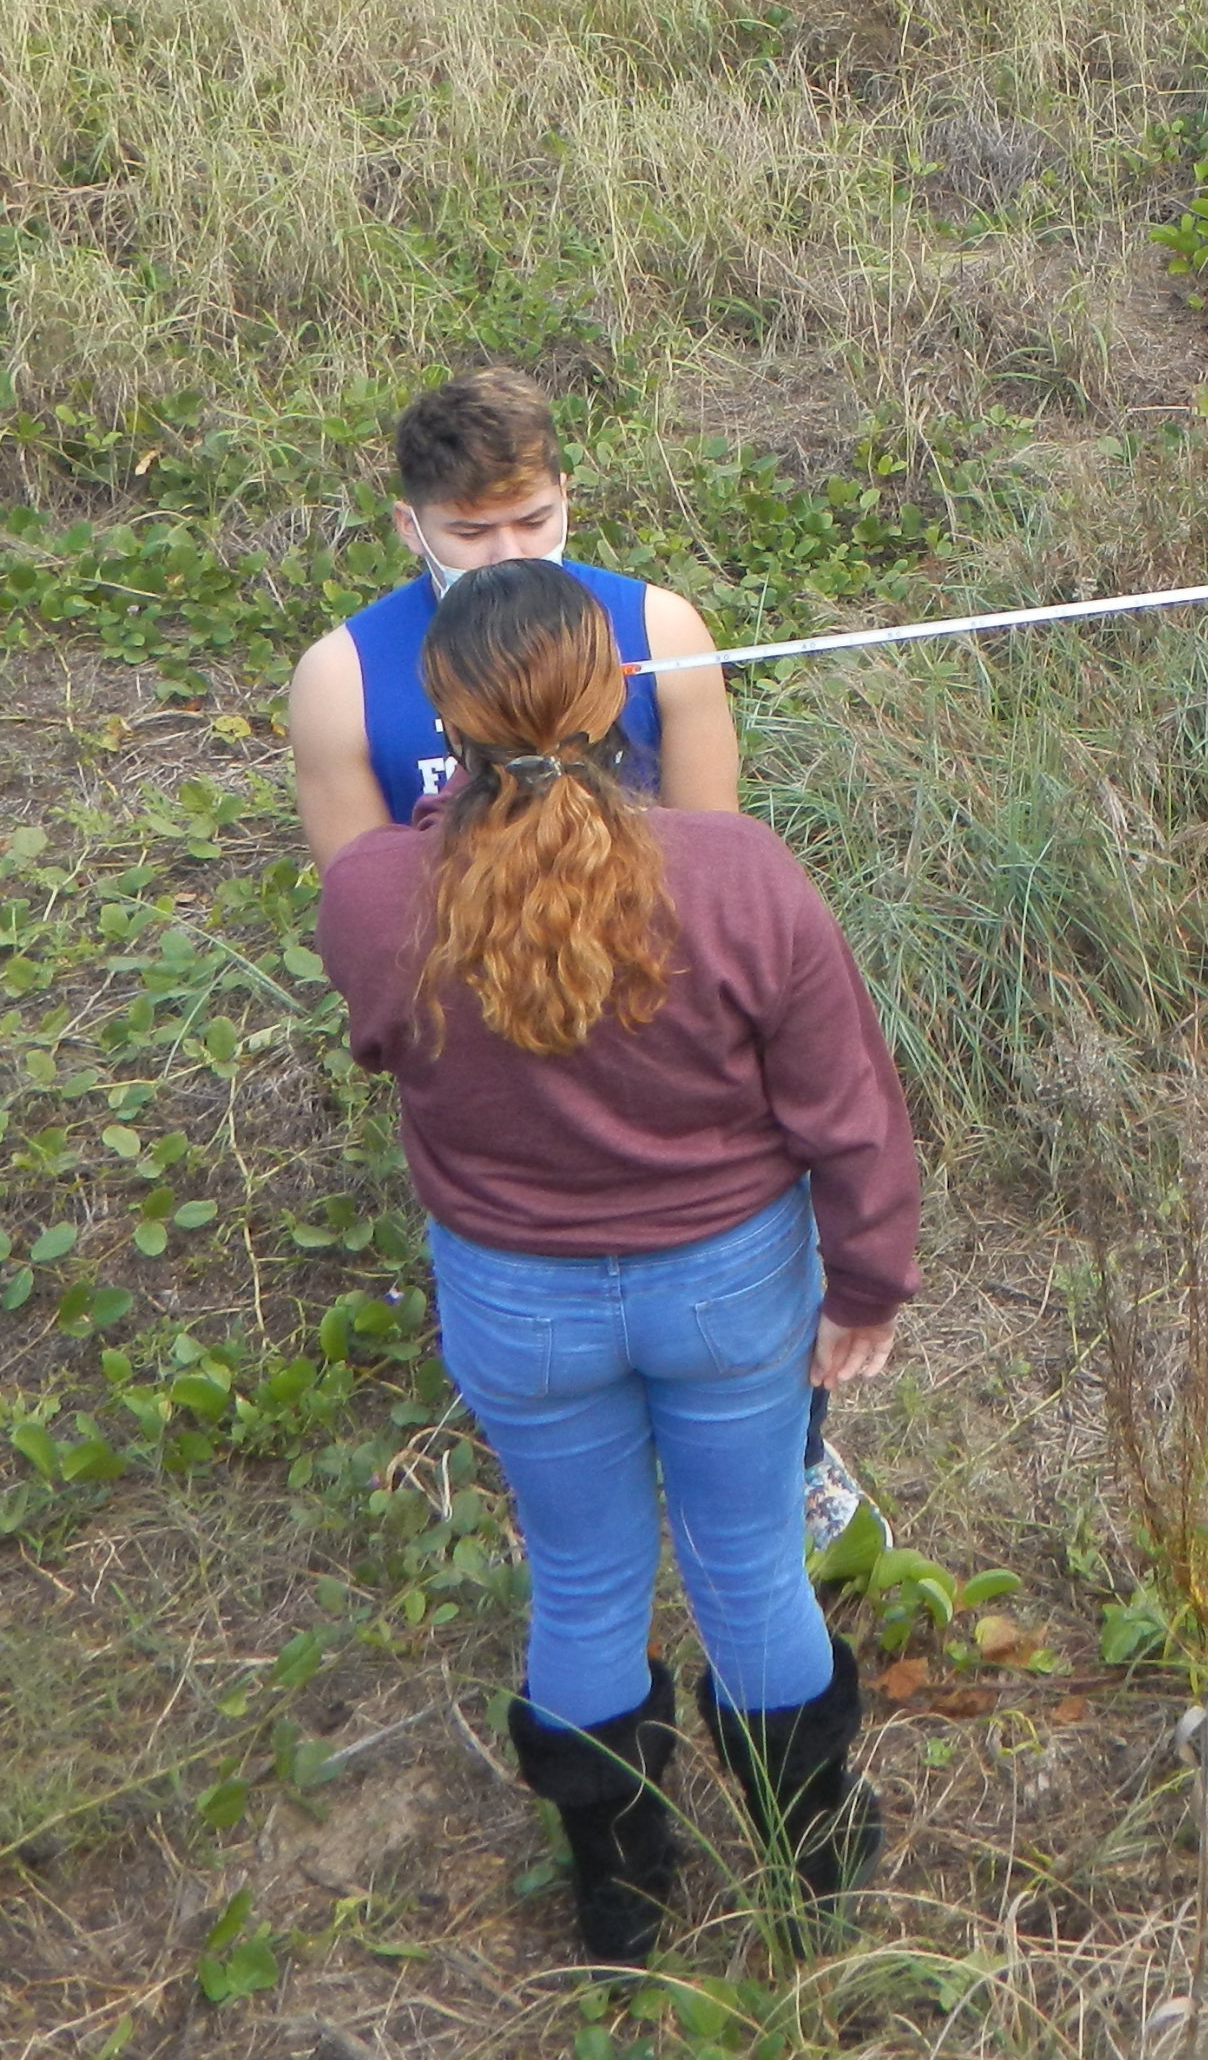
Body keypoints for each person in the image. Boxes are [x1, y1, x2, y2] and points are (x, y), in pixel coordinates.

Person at [316, 562, 920, 1968]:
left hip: (517, 1304)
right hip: (725, 1287)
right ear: (618, 696)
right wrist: (868, 1281)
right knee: (754, 1567)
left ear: (443, 726)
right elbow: (850, 1108)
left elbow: (380, 1043)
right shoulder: (735, 872)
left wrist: (422, 850)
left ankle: (621, 1887)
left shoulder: (372, 894)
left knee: (583, 1583)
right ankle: (811, 1862)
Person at [287, 367, 740, 867]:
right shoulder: (339, 678)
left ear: (565, 498)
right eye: (469, 533)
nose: (509, 554)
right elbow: (360, 896)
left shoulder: (663, 630)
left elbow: (714, 861)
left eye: (533, 522)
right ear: (409, 527)